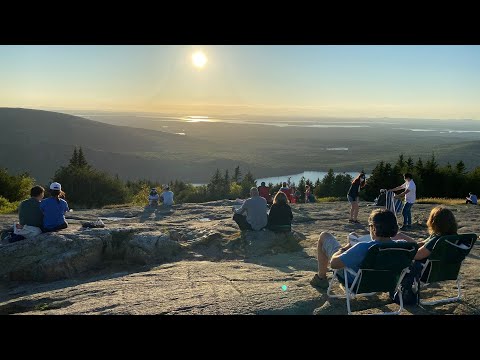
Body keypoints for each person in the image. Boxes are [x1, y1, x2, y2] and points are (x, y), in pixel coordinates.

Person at [310, 208, 414, 289]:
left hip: (357, 282)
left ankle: (321, 278)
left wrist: (346, 247)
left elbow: (334, 264)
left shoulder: (363, 248)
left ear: (373, 228)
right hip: (387, 282)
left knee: (324, 236)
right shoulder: (403, 246)